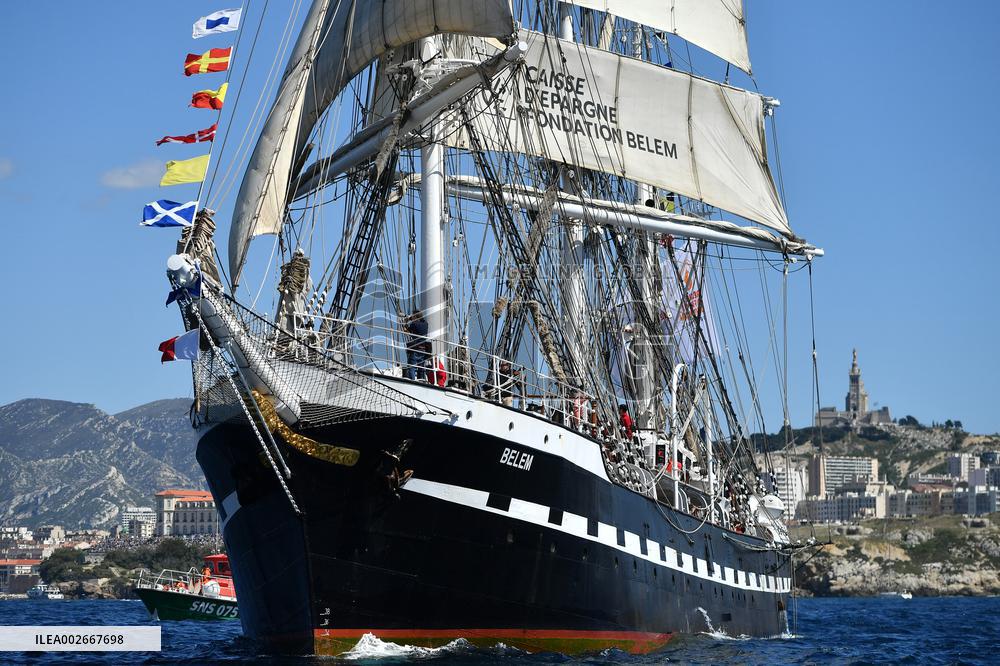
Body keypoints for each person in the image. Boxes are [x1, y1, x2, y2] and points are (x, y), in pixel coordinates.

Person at [404, 311, 429, 381]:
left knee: (412, 366)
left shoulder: (413, 324)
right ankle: (421, 380)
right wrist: (412, 318)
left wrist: (406, 322)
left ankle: (412, 380)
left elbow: (406, 330)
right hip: (423, 348)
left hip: (416, 348)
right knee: (421, 367)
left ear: (415, 317)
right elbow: (420, 322)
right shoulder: (426, 324)